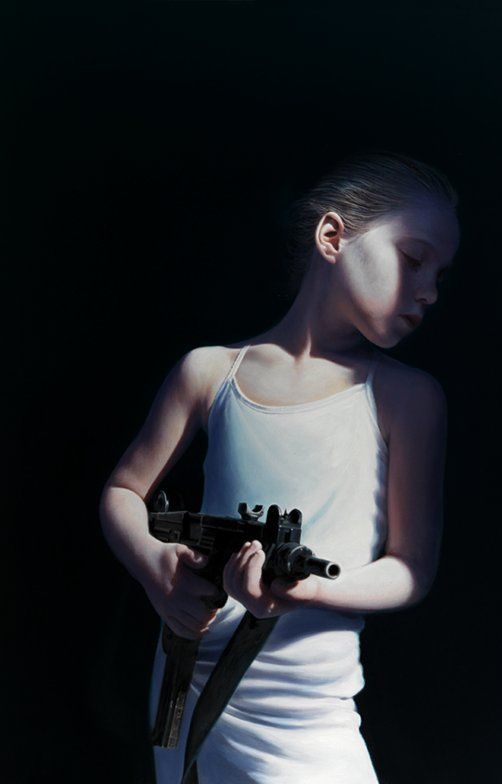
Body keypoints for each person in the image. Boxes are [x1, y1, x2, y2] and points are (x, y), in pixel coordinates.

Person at [99, 151, 459, 783]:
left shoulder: (409, 399)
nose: (429, 290)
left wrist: (313, 591)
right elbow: (124, 492)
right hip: (190, 675)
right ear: (332, 236)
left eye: (439, 274)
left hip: (310, 705)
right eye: (413, 258)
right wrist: (157, 570)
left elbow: (411, 568)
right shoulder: (210, 371)